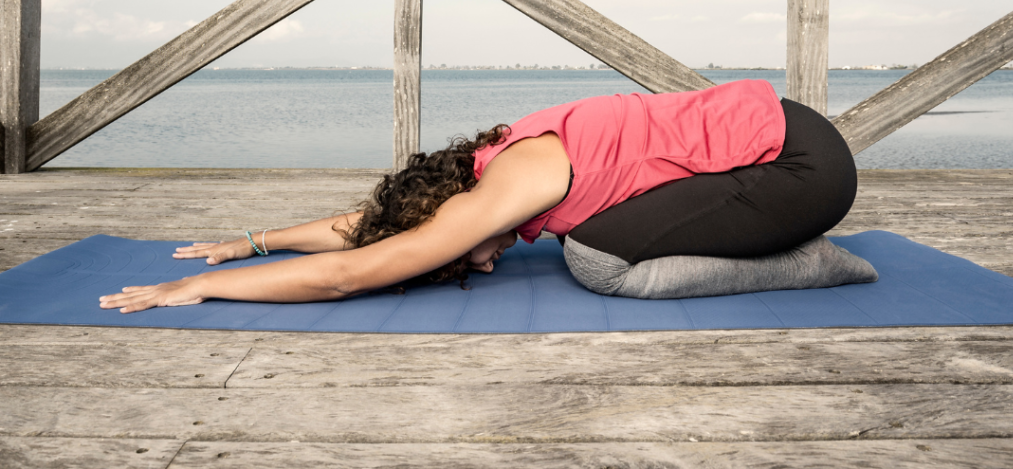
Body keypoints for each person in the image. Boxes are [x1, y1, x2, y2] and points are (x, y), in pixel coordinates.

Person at [98, 79, 876, 314]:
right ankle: (786, 241)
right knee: (598, 234)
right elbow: (371, 232)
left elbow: (356, 271)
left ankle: (811, 264)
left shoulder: (508, 187)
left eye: (463, 257)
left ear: (449, 214)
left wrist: (204, 286)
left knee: (598, 257)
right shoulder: (490, 160)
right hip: (785, 140)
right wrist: (253, 242)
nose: (488, 264)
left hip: (801, 170)